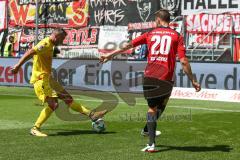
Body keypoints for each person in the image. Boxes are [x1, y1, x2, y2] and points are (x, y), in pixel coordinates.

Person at [99, 10, 201, 152]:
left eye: (155, 20)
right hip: (167, 78)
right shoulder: (177, 36)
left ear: (159, 20)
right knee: (160, 104)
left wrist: (109, 55)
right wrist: (193, 80)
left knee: (154, 107)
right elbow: (184, 61)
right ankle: (151, 142)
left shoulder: (150, 34)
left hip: (150, 76)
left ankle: (149, 133)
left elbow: (128, 46)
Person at [11, 29, 107, 137]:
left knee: (68, 98)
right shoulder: (45, 44)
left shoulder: (50, 45)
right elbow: (30, 52)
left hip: (49, 79)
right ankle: (35, 128)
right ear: (56, 37)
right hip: (41, 79)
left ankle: (92, 115)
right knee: (53, 104)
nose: (62, 41)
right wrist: (18, 66)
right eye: (61, 39)